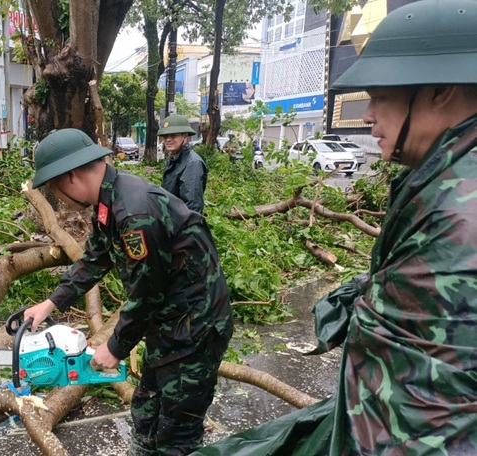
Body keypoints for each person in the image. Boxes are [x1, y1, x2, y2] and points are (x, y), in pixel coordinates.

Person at [194, 0, 477, 454]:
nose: (367, 115)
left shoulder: (457, 213)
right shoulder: (443, 180)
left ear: (440, 90)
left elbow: (426, 423)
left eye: (380, 97)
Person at [24, 128, 233, 456]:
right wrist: (50, 304)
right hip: (168, 323)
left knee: (177, 433)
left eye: (54, 188)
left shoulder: (134, 213)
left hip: (195, 328)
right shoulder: (110, 201)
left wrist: (116, 347)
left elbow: (148, 294)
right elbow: (95, 258)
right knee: (146, 409)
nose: (58, 198)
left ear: (72, 177)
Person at [158, 114, 208, 214]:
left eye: (173, 135)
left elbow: (193, 207)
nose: (168, 139)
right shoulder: (172, 158)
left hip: (181, 225)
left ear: (185, 137)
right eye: (165, 136)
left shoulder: (193, 163)